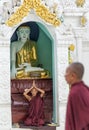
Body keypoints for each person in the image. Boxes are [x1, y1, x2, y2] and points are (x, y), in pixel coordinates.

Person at [64, 62, 89, 130]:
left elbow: (82, 119)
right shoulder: (84, 89)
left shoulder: (76, 92)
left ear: (73, 76)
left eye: (67, 72)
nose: (64, 75)